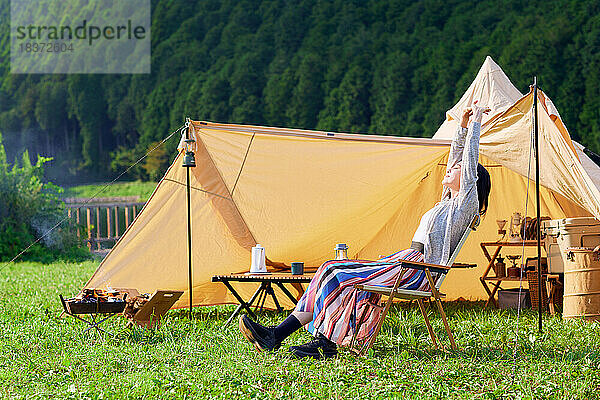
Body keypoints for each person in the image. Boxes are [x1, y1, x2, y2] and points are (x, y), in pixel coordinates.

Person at [239, 102, 492, 359]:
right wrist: (461, 125)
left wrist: (476, 123)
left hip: (419, 272)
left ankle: (324, 343)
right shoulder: (446, 201)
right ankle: (277, 335)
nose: (452, 168)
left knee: (334, 270)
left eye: (458, 169)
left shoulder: (463, 207)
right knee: (328, 271)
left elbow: (469, 164)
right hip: (405, 263)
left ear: (472, 181)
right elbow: (457, 156)